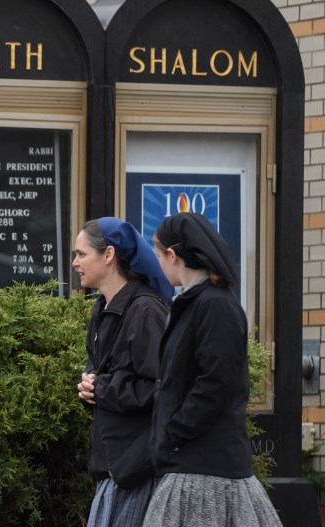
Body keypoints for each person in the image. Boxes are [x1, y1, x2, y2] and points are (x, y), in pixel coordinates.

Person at [143, 212, 282, 527]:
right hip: (191, 466)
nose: (158, 264)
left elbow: (216, 384)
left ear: (173, 255)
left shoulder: (214, 304)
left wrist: (174, 432)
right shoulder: (195, 303)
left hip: (208, 473)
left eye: (158, 255)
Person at [74, 217, 172, 527]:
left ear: (108, 255)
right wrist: (88, 387)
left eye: (81, 254)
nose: (75, 263)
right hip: (115, 464)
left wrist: (100, 388)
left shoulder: (146, 310)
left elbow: (161, 387)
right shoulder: (101, 308)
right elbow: (105, 374)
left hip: (138, 470)